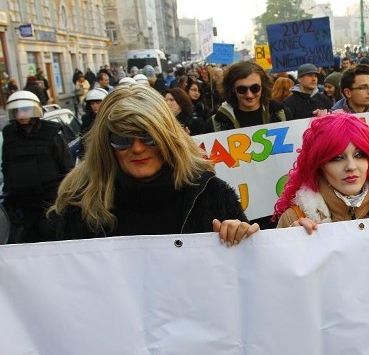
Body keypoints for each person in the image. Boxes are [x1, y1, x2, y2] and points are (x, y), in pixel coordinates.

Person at [47, 84, 258, 243]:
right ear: (106, 144)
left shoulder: (209, 193)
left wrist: (238, 233)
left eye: (148, 136)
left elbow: (241, 277)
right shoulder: (80, 205)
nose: (137, 148)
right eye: (122, 138)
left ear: (167, 137)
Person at [273, 113, 369, 234]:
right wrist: (290, 245)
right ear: (319, 165)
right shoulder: (294, 220)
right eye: (337, 158)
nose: (351, 166)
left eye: (359, 155)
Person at [2, 91, 74, 242]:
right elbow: (7, 166)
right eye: (18, 111)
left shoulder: (52, 134)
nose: (22, 115)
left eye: (26, 110)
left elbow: (67, 168)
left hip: (49, 203)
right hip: (23, 206)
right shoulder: (9, 135)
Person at [211, 61, 287, 132]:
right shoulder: (218, 122)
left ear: (262, 86)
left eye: (255, 88)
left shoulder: (281, 115)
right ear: (233, 89)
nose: (249, 95)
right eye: (242, 89)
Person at [78, 87, 109, 159]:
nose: (95, 106)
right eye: (92, 103)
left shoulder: (111, 118)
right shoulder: (86, 120)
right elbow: (82, 139)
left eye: (98, 103)